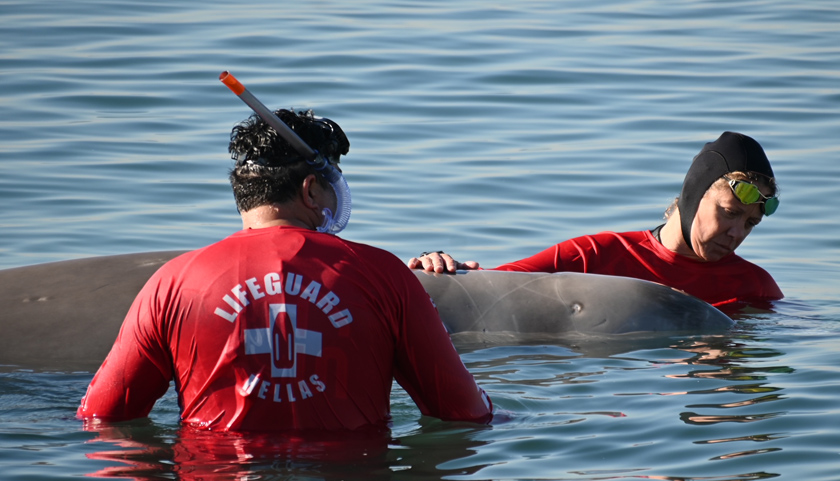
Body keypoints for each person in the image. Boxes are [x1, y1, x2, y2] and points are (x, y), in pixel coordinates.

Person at [77, 109, 492, 431]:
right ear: (311, 190)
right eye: (334, 182)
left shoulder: (171, 283)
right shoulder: (385, 275)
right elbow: (464, 413)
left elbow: (103, 417)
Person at [408, 131, 783, 308]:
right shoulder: (594, 256)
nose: (736, 234)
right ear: (694, 194)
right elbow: (492, 290)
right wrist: (440, 268)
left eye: (750, 224)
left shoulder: (755, 286)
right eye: (730, 214)